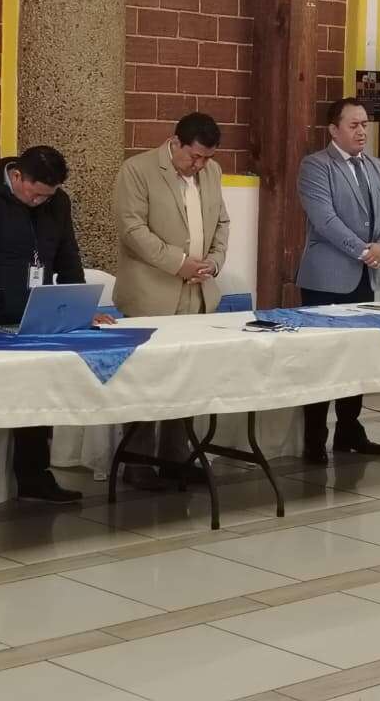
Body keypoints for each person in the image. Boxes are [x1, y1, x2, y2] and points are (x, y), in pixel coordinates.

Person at [0, 145, 106, 520]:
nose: (40, 202)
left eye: (47, 196)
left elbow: (68, 255)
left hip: (37, 316)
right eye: (35, 194)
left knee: (39, 395)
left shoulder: (57, 202)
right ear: (16, 176)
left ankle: (34, 478)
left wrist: (80, 307)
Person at [113, 112, 230, 484]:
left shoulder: (212, 172)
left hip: (197, 292)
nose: (200, 165)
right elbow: (132, 229)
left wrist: (214, 261)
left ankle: (176, 457)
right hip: (151, 293)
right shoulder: (138, 170)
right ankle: (138, 461)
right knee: (148, 377)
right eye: (194, 156)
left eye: (207, 158)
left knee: (185, 377)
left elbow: (222, 222)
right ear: (176, 142)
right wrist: (178, 263)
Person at [296, 98, 380, 464]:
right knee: (321, 359)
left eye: (364, 125)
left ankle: (349, 430)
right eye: (353, 125)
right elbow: (325, 220)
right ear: (334, 129)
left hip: (365, 276)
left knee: (357, 355)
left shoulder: (376, 166)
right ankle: (314, 438)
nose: (361, 132)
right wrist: (363, 250)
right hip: (326, 281)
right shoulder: (316, 166)